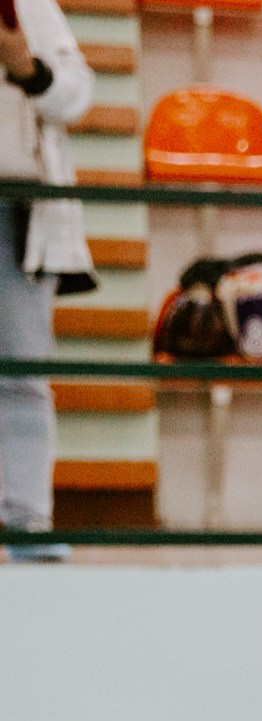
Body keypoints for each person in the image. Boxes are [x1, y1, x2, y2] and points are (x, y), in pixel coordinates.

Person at [0, 0, 92, 563]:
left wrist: (24, 65)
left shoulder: (31, 8)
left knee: (23, 373)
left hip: (17, 207)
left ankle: (28, 522)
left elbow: (78, 96)